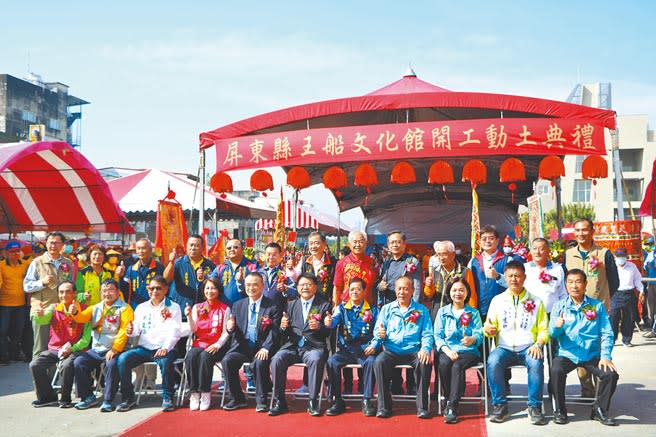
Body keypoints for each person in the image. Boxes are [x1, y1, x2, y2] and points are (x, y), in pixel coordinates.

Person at [549, 269, 619, 426]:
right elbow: (552, 334)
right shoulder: (559, 306)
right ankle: (560, 410)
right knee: (556, 370)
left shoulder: (597, 306)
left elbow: (607, 333)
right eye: (570, 282)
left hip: (591, 354)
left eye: (578, 281)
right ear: (566, 285)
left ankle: (599, 410)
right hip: (567, 354)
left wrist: (605, 356)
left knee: (610, 374)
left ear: (585, 284)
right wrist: (557, 327)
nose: (574, 286)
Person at [484, 261, 549, 425]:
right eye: (510, 276)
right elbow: (488, 325)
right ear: (505, 278)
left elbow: (544, 329)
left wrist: (538, 344)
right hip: (504, 348)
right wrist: (489, 329)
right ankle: (500, 406)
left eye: (518, 276)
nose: (514, 279)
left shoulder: (536, 301)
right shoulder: (497, 300)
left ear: (524, 277)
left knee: (535, 362)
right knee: (492, 361)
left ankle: (534, 406)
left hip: (528, 347)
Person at [563, 218, 619, 397]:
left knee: (598, 348)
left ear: (592, 232)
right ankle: (587, 391)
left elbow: (614, 281)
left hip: (598, 309)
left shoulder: (604, 253)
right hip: (576, 310)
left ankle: (600, 391)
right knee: (581, 346)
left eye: (584, 230)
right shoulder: (569, 254)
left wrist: (602, 300)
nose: (580, 234)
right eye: (577, 230)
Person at [370, 276, 433, 419]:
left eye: (406, 289)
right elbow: (377, 331)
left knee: (425, 362)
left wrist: (425, 349)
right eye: (399, 289)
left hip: (414, 350)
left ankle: (422, 407)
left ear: (412, 291)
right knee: (379, 361)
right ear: (395, 291)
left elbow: (428, 333)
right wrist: (380, 335)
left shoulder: (421, 310)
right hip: (392, 350)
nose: (402, 292)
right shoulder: (387, 309)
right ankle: (384, 406)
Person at [269, 272, 332, 417]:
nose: (305, 288)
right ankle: (280, 401)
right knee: (277, 359)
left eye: (309, 285)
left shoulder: (324, 305)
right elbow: (283, 332)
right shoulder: (290, 305)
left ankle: (313, 400)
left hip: (313, 346)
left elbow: (328, 332)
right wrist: (283, 326)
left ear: (315, 287)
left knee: (316, 359)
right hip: (293, 346)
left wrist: (320, 327)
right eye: (302, 285)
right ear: (297, 288)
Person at [116, 276, 181, 412]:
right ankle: (128, 398)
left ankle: (167, 397)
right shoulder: (141, 307)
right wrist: (131, 330)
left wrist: (165, 348)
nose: (154, 291)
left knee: (165, 362)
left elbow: (175, 332)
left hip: (164, 348)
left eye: (158, 288)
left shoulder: (173, 307)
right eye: (151, 288)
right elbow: (136, 330)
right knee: (123, 359)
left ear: (165, 289)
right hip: (144, 348)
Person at [70, 279, 134, 411]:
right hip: (97, 348)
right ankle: (87, 397)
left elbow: (124, 331)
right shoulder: (96, 307)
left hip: (116, 349)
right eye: (104, 291)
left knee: (111, 364)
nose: (107, 293)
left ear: (117, 292)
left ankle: (108, 400)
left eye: (111, 290)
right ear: (100, 292)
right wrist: (75, 312)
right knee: (79, 362)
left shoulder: (125, 308)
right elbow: (82, 317)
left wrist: (115, 349)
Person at [222, 272, 280, 412]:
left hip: (262, 346)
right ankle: (237, 398)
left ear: (262, 286)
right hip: (243, 346)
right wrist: (230, 329)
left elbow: (275, 331)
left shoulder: (272, 306)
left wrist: (266, 348)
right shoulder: (238, 305)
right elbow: (234, 330)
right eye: (248, 284)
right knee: (227, 361)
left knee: (259, 362)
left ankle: (261, 400)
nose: (251, 288)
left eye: (255, 284)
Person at [29, 281, 91, 408]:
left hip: (76, 349)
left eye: (68, 291)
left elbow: (86, 338)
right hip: (55, 348)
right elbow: (43, 319)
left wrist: (72, 348)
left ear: (74, 293)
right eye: (61, 292)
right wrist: (39, 314)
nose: (64, 295)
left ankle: (65, 399)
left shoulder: (85, 310)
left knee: (67, 365)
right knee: (35, 364)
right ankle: (48, 397)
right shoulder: (54, 308)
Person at [324, 277, 378, 417]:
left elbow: (379, 330)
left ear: (364, 291)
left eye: (358, 289)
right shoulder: (341, 308)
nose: (354, 292)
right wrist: (328, 322)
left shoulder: (373, 310)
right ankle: (337, 400)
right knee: (332, 362)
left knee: (372, 362)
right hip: (346, 350)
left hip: (365, 350)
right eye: (352, 289)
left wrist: (374, 345)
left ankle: (367, 400)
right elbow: (333, 322)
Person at [434, 278, 483, 424]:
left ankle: (452, 406)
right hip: (448, 349)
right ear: (449, 292)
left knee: (457, 366)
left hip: (468, 351)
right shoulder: (443, 312)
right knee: (443, 363)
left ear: (467, 293)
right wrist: (447, 351)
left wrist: (472, 339)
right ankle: (450, 397)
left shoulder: (473, 313)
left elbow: (480, 333)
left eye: (461, 290)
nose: (458, 293)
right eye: (454, 290)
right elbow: (437, 335)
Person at [24, 232, 76, 358]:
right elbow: (26, 286)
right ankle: (38, 378)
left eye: (57, 242)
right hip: (42, 309)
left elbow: (72, 286)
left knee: (57, 347)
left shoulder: (68, 263)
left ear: (62, 245)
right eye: (50, 242)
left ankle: (53, 377)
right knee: (40, 348)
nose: (53, 245)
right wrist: (42, 282)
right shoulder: (37, 262)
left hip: (61, 311)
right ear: (46, 244)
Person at [183, 277, 231, 411]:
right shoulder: (197, 307)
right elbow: (193, 330)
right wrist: (188, 317)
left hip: (216, 345)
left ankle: (205, 392)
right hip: (199, 343)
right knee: (191, 356)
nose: (210, 291)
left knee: (205, 357)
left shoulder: (225, 309)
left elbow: (226, 332)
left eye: (213, 288)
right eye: (207, 288)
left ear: (219, 290)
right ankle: (194, 393)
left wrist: (218, 345)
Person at [468, 225, 520, 320]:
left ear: (497, 241)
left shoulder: (508, 260)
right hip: (479, 310)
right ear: (479, 242)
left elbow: (516, 284)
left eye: (491, 238)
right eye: (484, 239)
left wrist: (498, 277)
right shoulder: (473, 262)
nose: (487, 241)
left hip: (502, 310)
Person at [424, 240, 477, 320]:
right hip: (437, 316)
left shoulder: (465, 272)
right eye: (439, 255)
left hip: (456, 317)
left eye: (444, 254)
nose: (441, 258)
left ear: (453, 254)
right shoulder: (435, 271)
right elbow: (429, 294)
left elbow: (471, 296)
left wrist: (470, 316)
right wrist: (428, 286)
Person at [164, 234, 216, 311]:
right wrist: (171, 262)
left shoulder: (210, 265)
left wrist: (204, 279)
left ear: (202, 248)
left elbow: (214, 286)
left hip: (201, 310)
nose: (193, 248)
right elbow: (166, 279)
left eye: (197, 246)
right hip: (180, 309)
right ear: (186, 247)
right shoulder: (178, 263)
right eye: (191, 245)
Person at [0, 240, 31, 364]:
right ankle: (3, 356)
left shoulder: (25, 264)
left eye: (17, 251)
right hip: (4, 305)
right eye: (12, 252)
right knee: (3, 331)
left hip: (21, 305)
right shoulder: (1, 265)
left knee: (18, 332)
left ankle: (14, 354)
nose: (15, 254)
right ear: (6, 253)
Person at [115, 239, 164, 309]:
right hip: (135, 308)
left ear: (150, 250)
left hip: (154, 308)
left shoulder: (159, 267)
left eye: (143, 248)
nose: (140, 251)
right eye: (138, 249)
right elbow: (124, 289)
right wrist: (120, 276)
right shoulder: (131, 269)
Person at [377, 231, 422, 306]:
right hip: (388, 303)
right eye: (392, 242)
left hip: (405, 303)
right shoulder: (386, 263)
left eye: (398, 242)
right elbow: (379, 283)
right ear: (388, 245)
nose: (395, 245)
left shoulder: (412, 261)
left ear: (404, 244)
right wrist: (380, 286)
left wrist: (414, 306)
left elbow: (416, 287)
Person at [523, 238, 567, 315]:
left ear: (548, 251)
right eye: (534, 248)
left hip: (552, 313)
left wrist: (562, 311)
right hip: (530, 313)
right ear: (531, 251)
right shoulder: (524, 268)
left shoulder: (557, 269)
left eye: (541, 249)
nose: (537, 252)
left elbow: (562, 293)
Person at [610, 247, 644, 347]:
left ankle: (627, 339)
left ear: (626, 256)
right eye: (618, 256)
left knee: (629, 318)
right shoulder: (612, 267)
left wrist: (641, 290)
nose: (621, 258)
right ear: (615, 257)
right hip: (615, 294)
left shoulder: (632, 266)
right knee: (613, 317)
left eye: (623, 256)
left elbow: (637, 279)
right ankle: (611, 340)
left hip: (629, 294)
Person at [209, 238, 259, 305]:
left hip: (246, 308)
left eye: (235, 247)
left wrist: (242, 282)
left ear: (242, 250)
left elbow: (259, 287)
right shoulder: (220, 268)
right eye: (229, 248)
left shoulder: (253, 266)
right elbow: (209, 284)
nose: (232, 249)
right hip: (225, 310)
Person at [333, 231, 376, 305]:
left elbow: (373, 287)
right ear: (349, 244)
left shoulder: (371, 262)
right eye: (355, 242)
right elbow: (337, 287)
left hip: (366, 305)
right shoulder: (342, 262)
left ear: (366, 244)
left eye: (361, 242)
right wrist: (336, 306)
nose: (358, 245)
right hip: (347, 304)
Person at [256, 242, 297, 309]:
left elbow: (295, 293)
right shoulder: (259, 273)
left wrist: (286, 288)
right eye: (268, 254)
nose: (271, 257)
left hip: (278, 311)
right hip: (261, 310)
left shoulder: (285, 273)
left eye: (274, 254)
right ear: (265, 255)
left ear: (280, 255)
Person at [300, 232, 337, 303]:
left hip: (326, 304)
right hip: (308, 303)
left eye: (316, 243)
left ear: (324, 244)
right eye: (311, 243)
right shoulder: (304, 261)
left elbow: (336, 285)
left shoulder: (333, 262)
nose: (313, 246)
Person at [643, 237, 656, 338]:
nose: (650, 246)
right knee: (651, 307)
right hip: (651, 283)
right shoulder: (650, 255)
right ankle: (652, 325)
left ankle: (654, 330)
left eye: (651, 244)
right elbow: (645, 267)